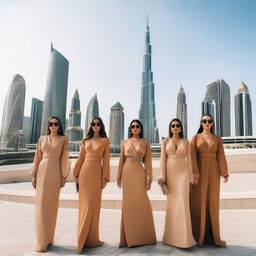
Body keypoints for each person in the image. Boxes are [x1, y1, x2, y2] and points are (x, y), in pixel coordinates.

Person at [30, 116, 70, 252]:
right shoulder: (41, 139)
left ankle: (49, 239)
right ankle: (41, 241)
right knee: (40, 205)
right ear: (48, 125)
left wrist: (64, 175)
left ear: (59, 125)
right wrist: (33, 175)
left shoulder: (64, 139)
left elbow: (65, 157)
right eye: (51, 124)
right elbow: (37, 157)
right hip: (42, 170)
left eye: (56, 124)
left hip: (55, 172)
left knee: (51, 206)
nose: (53, 126)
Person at [190, 114, 229, 247]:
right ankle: (198, 235)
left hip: (214, 170)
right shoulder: (195, 138)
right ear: (201, 123)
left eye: (209, 121)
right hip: (199, 170)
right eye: (204, 121)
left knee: (212, 201)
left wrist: (224, 173)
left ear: (212, 123)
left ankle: (214, 236)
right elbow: (192, 156)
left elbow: (221, 156)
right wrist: (194, 172)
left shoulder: (217, 139)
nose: (207, 123)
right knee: (199, 200)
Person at [117, 119, 156, 247]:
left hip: (139, 172)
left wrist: (149, 177)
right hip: (127, 172)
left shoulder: (145, 142)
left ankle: (144, 236)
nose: (134, 128)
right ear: (130, 128)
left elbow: (148, 162)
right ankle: (128, 238)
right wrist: (118, 177)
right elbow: (121, 160)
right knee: (128, 204)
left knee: (142, 202)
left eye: (137, 126)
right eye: (132, 126)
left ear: (140, 128)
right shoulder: (125, 142)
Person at [158, 118, 196, 248]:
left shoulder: (186, 142)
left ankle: (184, 238)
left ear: (180, 128)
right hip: (170, 173)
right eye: (173, 125)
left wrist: (191, 177)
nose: (175, 127)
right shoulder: (165, 141)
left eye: (177, 125)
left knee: (183, 203)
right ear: (170, 128)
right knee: (172, 205)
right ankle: (170, 237)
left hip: (183, 173)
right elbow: (162, 159)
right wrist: (162, 175)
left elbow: (189, 160)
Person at [73, 116, 110, 253]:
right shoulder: (86, 140)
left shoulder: (105, 141)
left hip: (96, 173)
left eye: (98, 124)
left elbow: (106, 161)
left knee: (94, 206)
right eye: (93, 124)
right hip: (85, 173)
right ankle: (82, 239)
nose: (95, 125)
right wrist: (76, 174)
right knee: (85, 206)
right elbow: (80, 158)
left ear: (101, 126)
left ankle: (93, 239)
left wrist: (104, 177)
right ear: (91, 126)